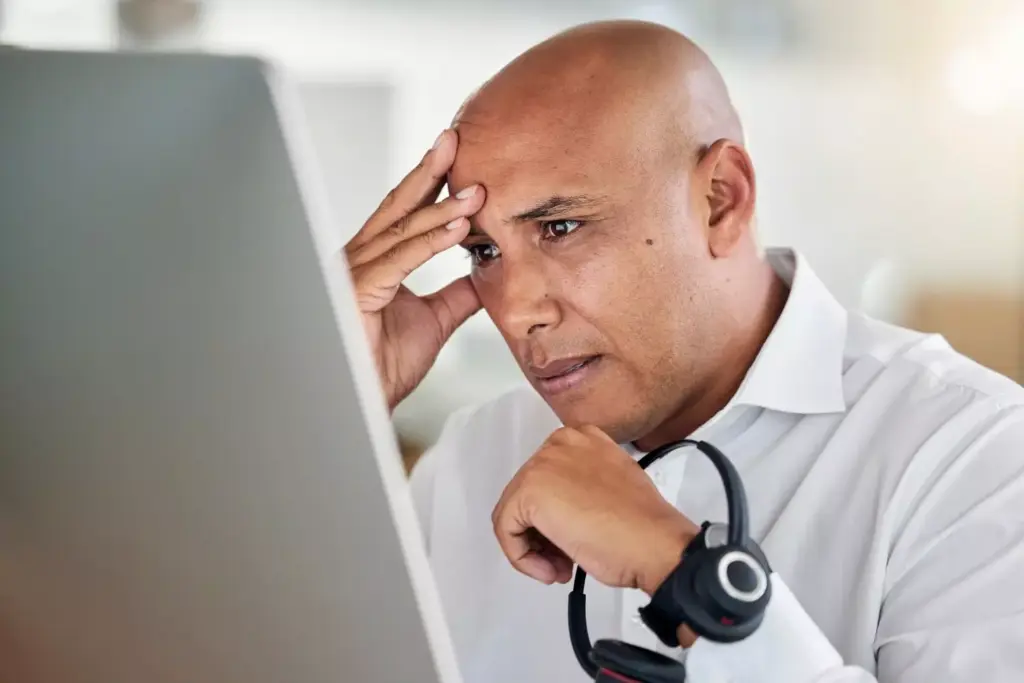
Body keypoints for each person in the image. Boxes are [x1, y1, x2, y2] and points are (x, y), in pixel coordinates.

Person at [342, 19, 1024, 683]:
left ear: (721, 200)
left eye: (561, 225)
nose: (516, 310)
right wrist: (328, 412)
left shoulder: (976, 457)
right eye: (484, 251)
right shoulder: (469, 459)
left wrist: (688, 576)